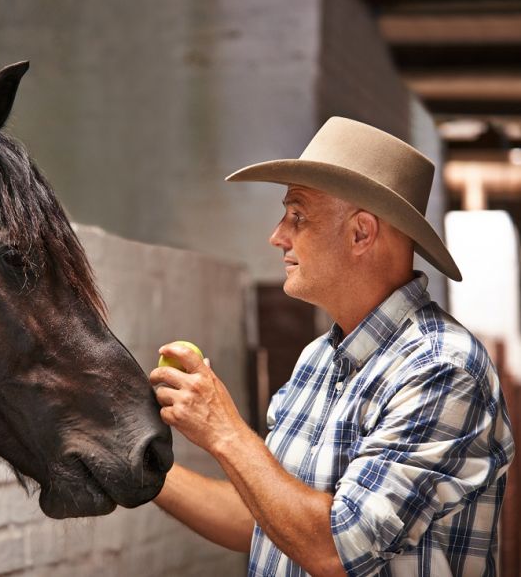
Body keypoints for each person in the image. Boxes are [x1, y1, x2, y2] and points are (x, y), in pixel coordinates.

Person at [149, 117, 515, 576]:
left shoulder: (441, 368)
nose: (278, 235)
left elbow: (336, 549)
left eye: (298, 215)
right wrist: (140, 468)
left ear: (361, 233)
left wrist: (222, 430)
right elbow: (267, 518)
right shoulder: (317, 359)